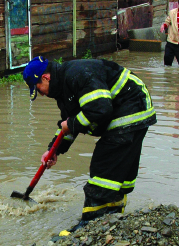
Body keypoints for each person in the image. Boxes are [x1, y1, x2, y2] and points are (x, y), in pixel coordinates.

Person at [23, 56, 156, 232]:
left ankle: (91, 226)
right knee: (117, 173)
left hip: (131, 107)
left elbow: (100, 109)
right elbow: (69, 124)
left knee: (104, 165)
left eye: (38, 88)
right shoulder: (63, 90)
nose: (40, 93)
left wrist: (70, 125)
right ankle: (113, 216)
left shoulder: (76, 75)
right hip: (126, 110)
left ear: (46, 77)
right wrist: (53, 150)